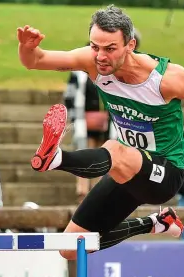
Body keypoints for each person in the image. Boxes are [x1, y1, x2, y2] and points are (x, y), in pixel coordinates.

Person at [17, 5, 184, 260]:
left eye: (110, 48)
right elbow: (36, 61)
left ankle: (57, 158)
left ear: (130, 45)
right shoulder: (93, 61)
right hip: (126, 172)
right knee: (70, 247)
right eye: (95, 47)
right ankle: (155, 223)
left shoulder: (164, 79)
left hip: (165, 172)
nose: (100, 56)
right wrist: (27, 47)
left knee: (115, 149)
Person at [64, 32, 142, 203]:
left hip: (109, 122)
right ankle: (82, 191)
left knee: (105, 155)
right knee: (84, 153)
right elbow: (70, 97)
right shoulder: (79, 72)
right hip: (85, 121)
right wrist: (76, 119)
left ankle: (97, 193)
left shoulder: (114, 72)